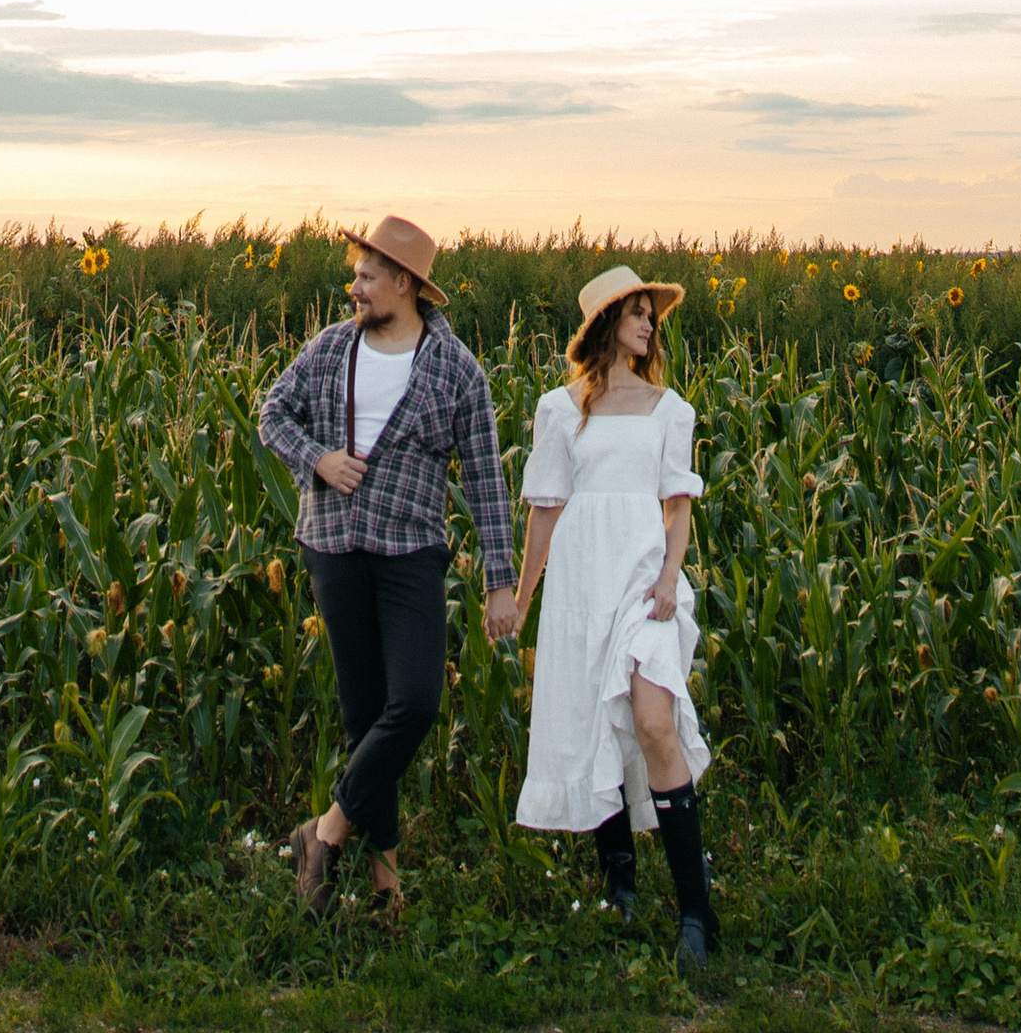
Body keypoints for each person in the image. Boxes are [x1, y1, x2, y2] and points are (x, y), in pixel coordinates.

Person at [258, 211, 521, 919]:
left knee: (414, 705)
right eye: (357, 275)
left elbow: (487, 480)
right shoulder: (330, 350)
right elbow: (271, 413)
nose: (355, 287)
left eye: (367, 276)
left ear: (405, 283)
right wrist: (316, 457)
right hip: (334, 546)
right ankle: (386, 890)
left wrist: (502, 582)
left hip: (411, 553)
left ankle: (326, 832)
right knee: (364, 717)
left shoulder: (454, 368)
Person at [507, 262, 721, 970]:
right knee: (597, 715)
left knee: (655, 723)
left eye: (650, 313)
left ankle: (696, 914)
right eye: (634, 311)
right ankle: (619, 880)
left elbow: (678, 505)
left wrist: (669, 577)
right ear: (603, 325)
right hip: (578, 579)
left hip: (641, 580)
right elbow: (546, 511)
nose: (647, 322)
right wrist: (523, 594)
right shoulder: (558, 409)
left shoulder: (670, 409)